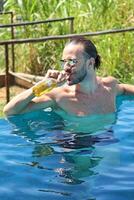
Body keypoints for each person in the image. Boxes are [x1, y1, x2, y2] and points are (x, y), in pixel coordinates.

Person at [3, 37, 134, 117]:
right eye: (63, 62)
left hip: (107, 142)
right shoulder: (60, 96)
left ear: (90, 63)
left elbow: (125, 89)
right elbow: (10, 110)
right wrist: (43, 85)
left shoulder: (110, 86)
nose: (65, 67)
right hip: (75, 149)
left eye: (71, 61)